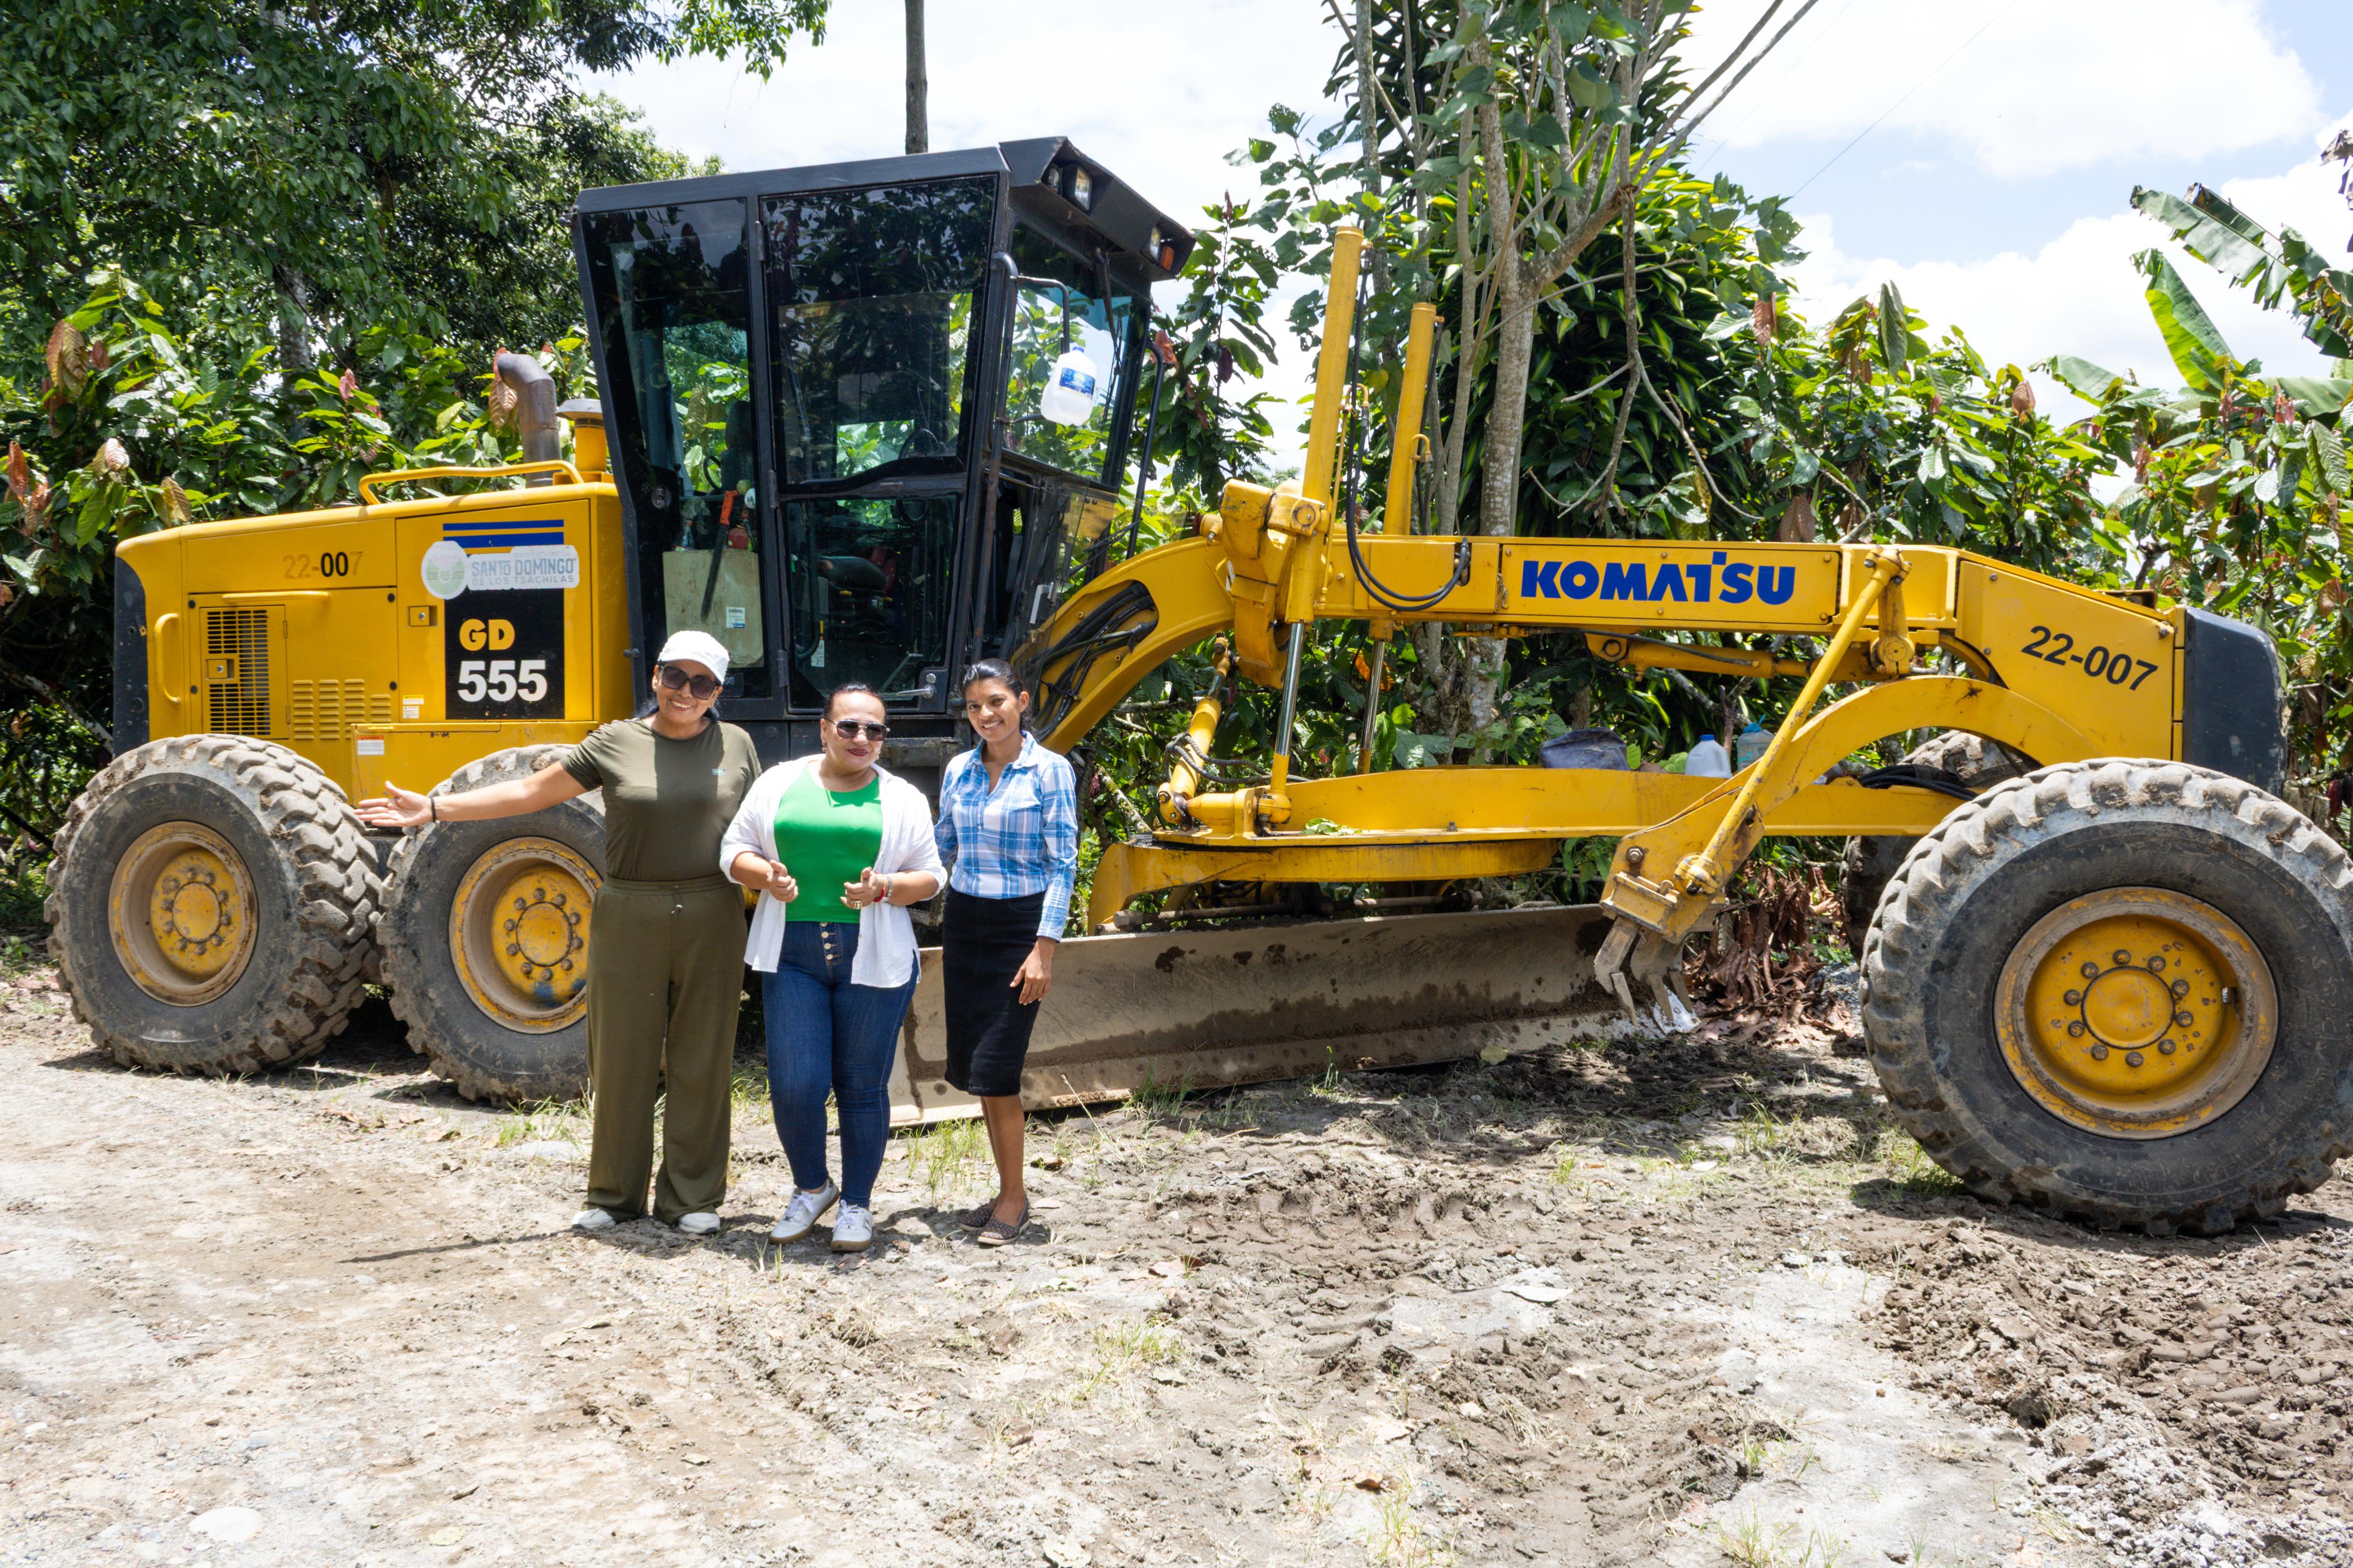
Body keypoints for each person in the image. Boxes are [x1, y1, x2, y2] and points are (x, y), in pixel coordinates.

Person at [357, 631, 761, 1234]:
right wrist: (436, 808)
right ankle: (614, 1195)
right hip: (630, 909)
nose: (686, 691)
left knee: (701, 1057)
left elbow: (765, 822)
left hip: (712, 911)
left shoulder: (737, 745)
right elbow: (530, 791)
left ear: (717, 692)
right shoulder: (616, 741)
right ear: (655, 676)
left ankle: (692, 1197)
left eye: (701, 682)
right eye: (676, 676)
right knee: (620, 1055)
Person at [721, 684, 943, 1252]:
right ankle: (812, 1187)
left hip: (875, 957)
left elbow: (931, 876)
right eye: (848, 726)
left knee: (861, 1085)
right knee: (796, 1083)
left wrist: (885, 886)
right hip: (791, 953)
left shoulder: (901, 798)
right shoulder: (778, 784)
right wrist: (766, 877)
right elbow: (733, 850)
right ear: (823, 729)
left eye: (874, 730)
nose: (861, 738)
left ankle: (857, 1205)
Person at [934, 659, 1080, 1247]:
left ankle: (1015, 1199)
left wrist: (1044, 949)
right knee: (980, 1071)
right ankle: (1004, 1191)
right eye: (974, 706)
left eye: (995, 701)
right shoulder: (959, 770)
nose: (985, 714)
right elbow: (941, 845)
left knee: (998, 1067)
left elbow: (1063, 864)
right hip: (966, 923)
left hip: (1020, 928)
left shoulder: (1050, 771)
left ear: (1021, 701)